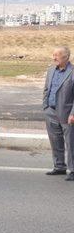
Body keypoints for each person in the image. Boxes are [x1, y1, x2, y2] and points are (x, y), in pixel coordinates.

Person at [43, 46, 74, 181]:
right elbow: (46, 89)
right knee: (55, 141)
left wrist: (73, 113)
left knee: (70, 143)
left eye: (57, 55)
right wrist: (45, 106)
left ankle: (73, 170)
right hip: (51, 111)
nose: (54, 57)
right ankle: (59, 166)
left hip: (67, 114)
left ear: (66, 57)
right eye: (53, 54)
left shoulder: (72, 72)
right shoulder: (51, 70)